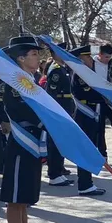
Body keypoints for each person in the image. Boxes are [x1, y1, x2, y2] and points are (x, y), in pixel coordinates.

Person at [0, 37, 53, 223]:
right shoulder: (14, 81)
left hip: (31, 142)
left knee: (24, 199)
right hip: (21, 142)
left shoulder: (29, 80)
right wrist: (44, 120)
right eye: (34, 54)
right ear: (21, 58)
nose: (38, 58)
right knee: (15, 199)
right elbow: (16, 109)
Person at [69, 45, 108, 197]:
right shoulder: (81, 75)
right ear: (80, 59)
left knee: (89, 148)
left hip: (90, 114)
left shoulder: (86, 73)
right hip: (85, 115)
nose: (91, 60)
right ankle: (85, 184)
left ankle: (87, 182)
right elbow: (89, 94)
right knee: (86, 149)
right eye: (87, 57)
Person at [44, 49, 75, 186]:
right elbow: (51, 92)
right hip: (60, 107)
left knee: (62, 141)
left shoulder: (63, 68)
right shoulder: (56, 70)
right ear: (55, 54)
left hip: (65, 107)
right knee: (55, 142)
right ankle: (54, 174)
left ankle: (59, 170)